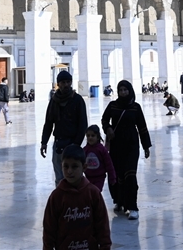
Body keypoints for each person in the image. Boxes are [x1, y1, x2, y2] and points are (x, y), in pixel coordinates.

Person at [42, 144, 112, 250]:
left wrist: (105, 246)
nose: (69, 171)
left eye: (74, 166)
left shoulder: (93, 193)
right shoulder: (56, 197)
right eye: (66, 166)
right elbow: (49, 229)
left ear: (84, 167)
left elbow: (102, 226)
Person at [102, 80, 151, 220]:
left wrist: (146, 146)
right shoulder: (113, 106)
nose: (123, 92)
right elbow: (104, 120)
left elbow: (142, 127)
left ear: (130, 91)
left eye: (125, 90)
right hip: (116, 145)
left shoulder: (135, 107)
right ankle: (119, 201)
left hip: (131, 145)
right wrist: (108, 128)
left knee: (130, 175)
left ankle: (133, 207)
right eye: (121, 90)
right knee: (116, 175)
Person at [40, 70, 88, 184]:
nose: (65, 85)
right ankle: (62, 201)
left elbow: (83, 124)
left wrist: (76, 144)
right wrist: (44, 142)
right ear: (58, 84)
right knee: (60, 178)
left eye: (68, 82)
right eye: (63, 82)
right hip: (59, 144)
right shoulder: (54, 101)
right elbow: (48, 123)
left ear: (71, 83)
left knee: (75, 177)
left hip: (73, 143)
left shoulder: (77, 100)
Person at [83, 125, 117, 199]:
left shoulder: (102, 150)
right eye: (88, 136)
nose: (90, 138)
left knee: (96, 192)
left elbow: (109, 164)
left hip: (99, 177)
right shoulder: (85, 150)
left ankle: (96, 205)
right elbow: (81, 163)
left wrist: (112, 177)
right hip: (88, 177)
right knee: (89, 193)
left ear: (97, 137)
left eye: (92, 135)